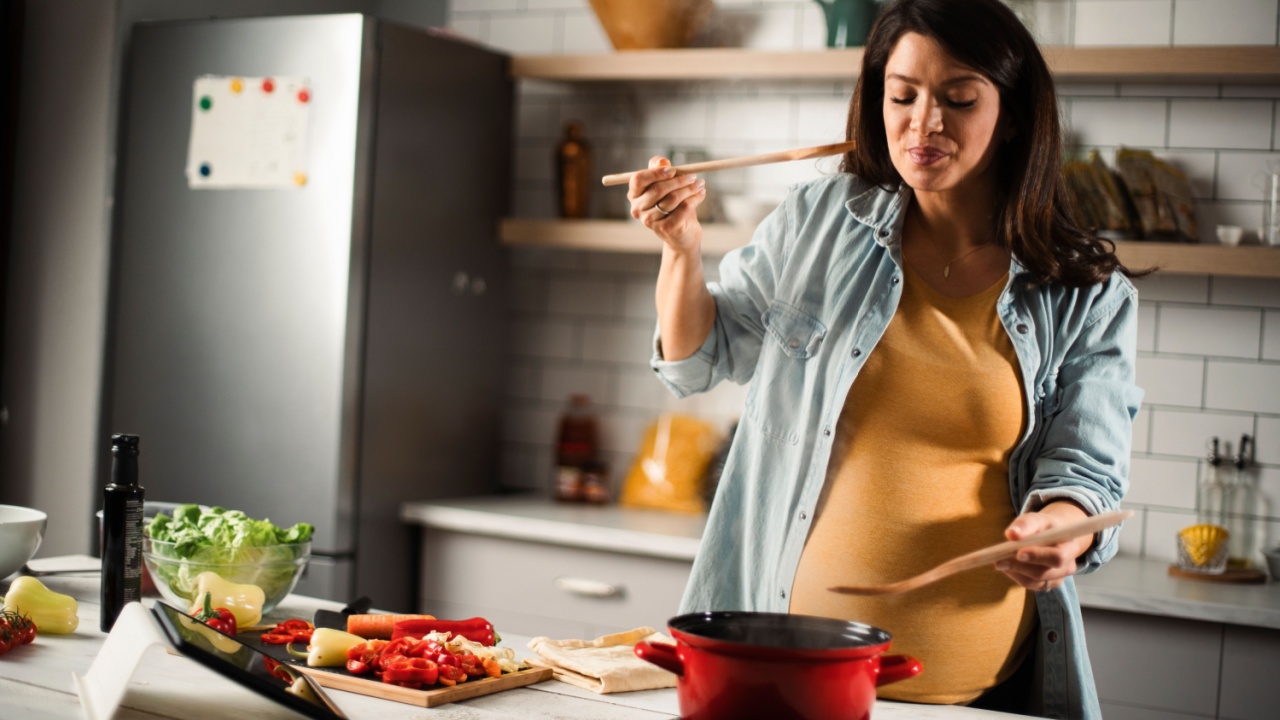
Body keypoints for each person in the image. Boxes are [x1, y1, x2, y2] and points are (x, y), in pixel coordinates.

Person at [627, 1, 1144, 718]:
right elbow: (700, 359)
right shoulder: (819, 221)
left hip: (981, 694)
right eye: (901, 95)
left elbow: (1086, 469)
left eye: (958, 99)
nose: (922, 123)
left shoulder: (1086, 291)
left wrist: (1058, 525)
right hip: (786, 677)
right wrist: (681, 248)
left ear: (1014, 113)